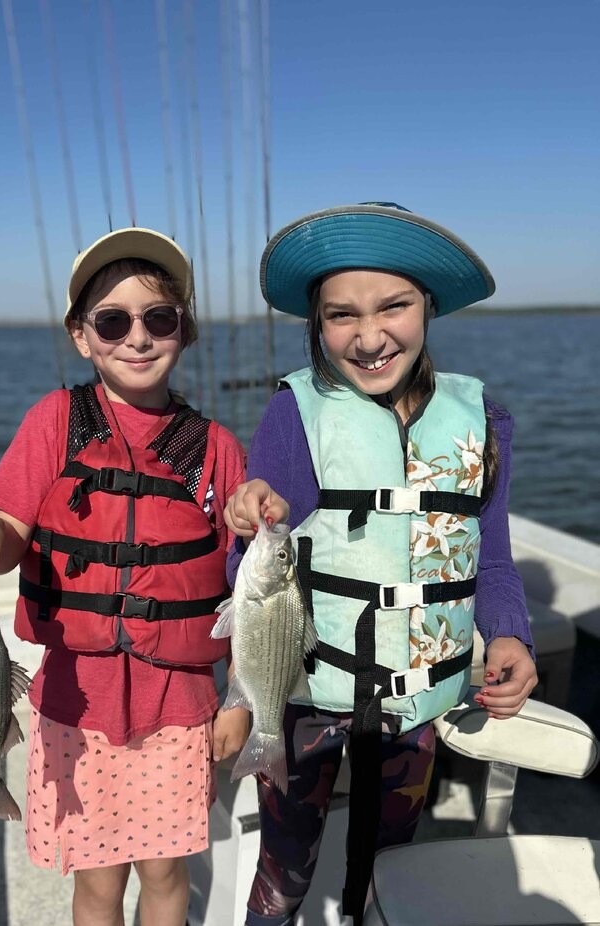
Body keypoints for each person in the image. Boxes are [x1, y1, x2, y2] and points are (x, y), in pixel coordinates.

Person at [223, 203, 538, 926]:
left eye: (393, 306)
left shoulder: (484, 419)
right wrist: (250, 514)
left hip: (414, 706)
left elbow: (491, 558)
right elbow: (252, 570)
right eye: (342, 316)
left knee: (389, 869)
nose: (369, 338)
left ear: (428, 304)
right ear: (317, 323)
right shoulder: (294, 413)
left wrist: (510, 635)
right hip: (303, 695)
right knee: (284, 874)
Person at [0, 227, 249, 926]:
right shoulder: (54, 421)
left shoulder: (217, 450)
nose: (138, 337)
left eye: (159, 318)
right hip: (77, 703)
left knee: (166, 874)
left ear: (185, 331)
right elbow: (8, 532)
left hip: (181, 703)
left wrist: (242, 700)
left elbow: (248, 594)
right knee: (98, 880)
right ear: (81, 336)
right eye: (112, 321)